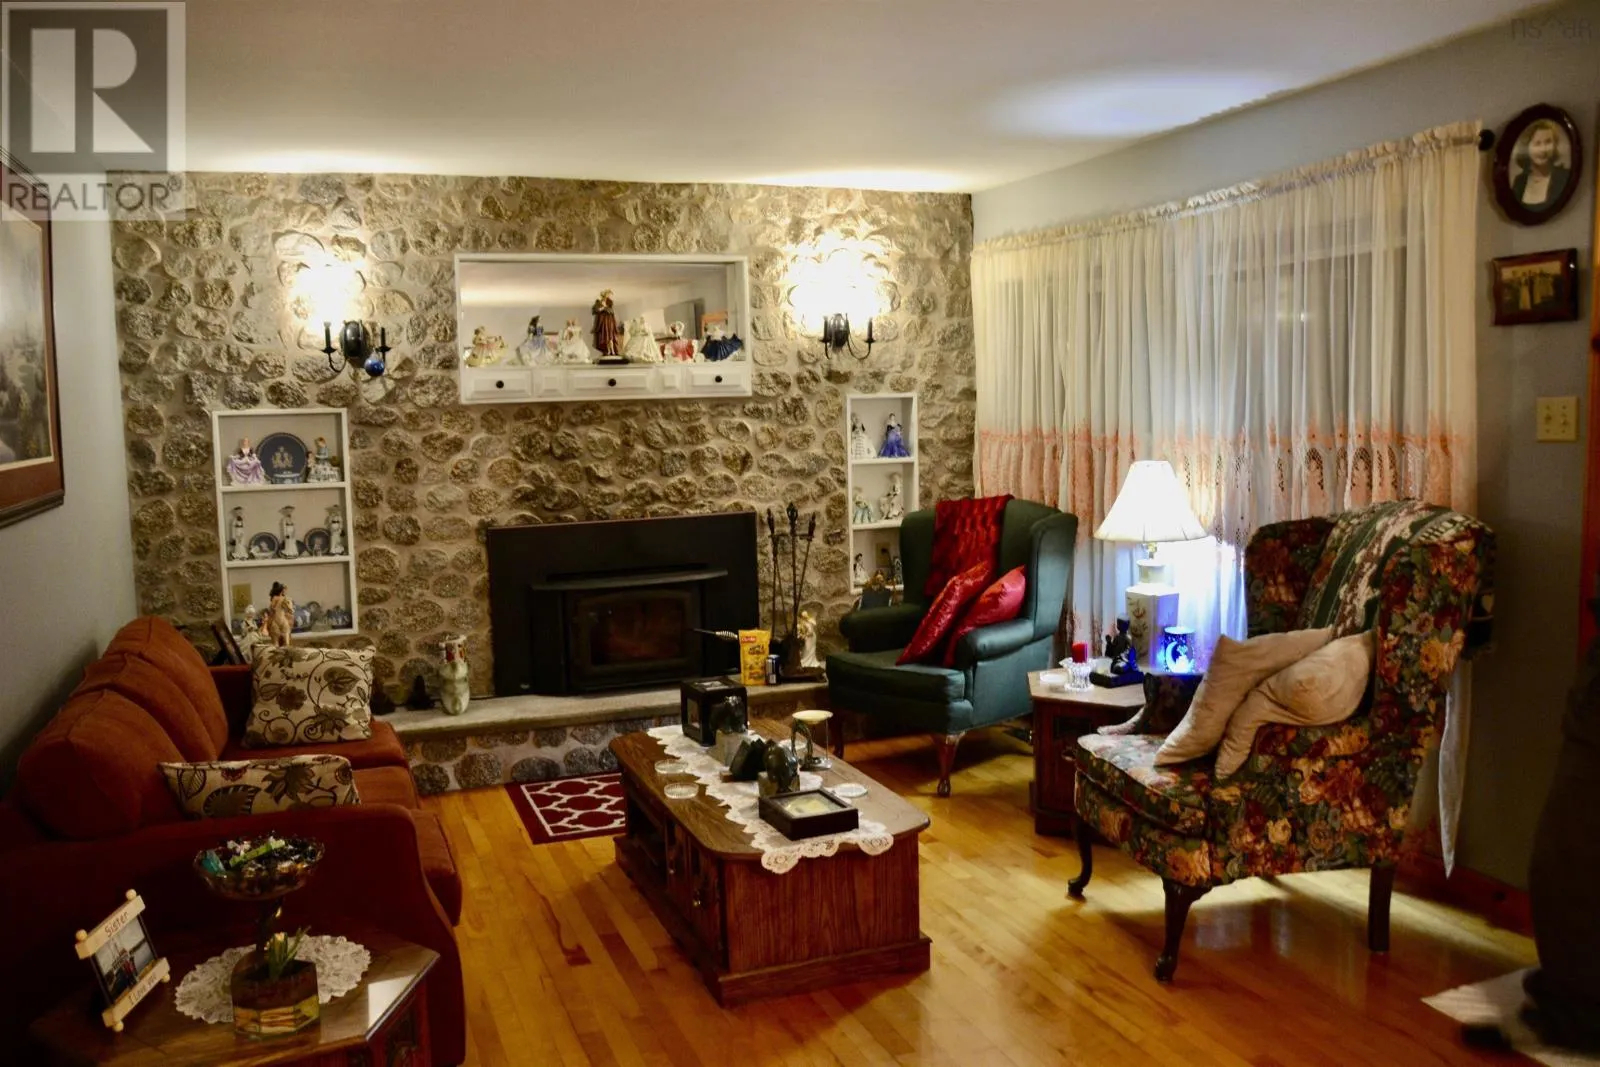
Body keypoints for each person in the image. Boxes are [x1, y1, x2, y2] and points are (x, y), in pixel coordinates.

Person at [1513, 120, 1571, 210]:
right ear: (1526, 148)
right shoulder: (1519, 182)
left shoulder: (1565, 177)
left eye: (1548, 142)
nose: (1543, 149)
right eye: (1537, 143)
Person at [591, 289, 620, 358]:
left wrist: (605, 308)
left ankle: (612, 351)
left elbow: (611, 311)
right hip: (603, 321)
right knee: (606, 337)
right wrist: (602, 308)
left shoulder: (609, 302)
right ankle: (608, 351)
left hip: (609, 321)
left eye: (609, 295)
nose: (609, 296)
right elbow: (595, 310)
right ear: (605, 295)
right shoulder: (599, 302)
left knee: (610, 337)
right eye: (608, 294)